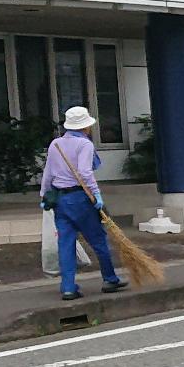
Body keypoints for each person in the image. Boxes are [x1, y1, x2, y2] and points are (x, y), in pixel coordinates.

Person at [39, 105, 126, 301]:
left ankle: (68, 287)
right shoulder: (85, 145)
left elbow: (48, 173)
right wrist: (96, 195)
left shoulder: (56, 144)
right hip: (80, 198)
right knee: (98, 240)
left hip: (60, 200)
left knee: (66, 244)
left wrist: (44, 195)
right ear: (85, 127)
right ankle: (110, 278)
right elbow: (85, 173)